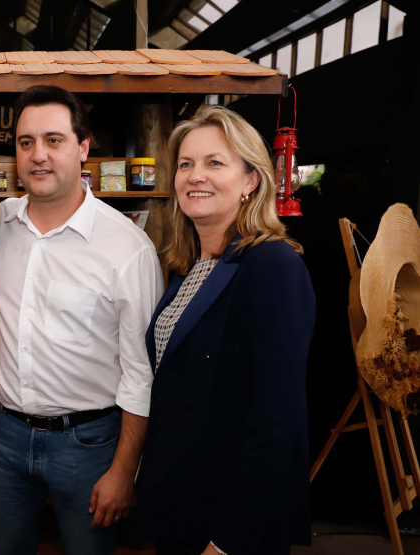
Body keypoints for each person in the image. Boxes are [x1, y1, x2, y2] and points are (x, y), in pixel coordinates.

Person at [0, 85, 163, 555]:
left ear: (83, 148)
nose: (38, 155)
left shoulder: (127, 248)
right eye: (26, 142)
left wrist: (125, 471)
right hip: (2, 437)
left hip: (89, 445)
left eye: (54, 140)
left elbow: (142, 373)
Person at [132, 106, 314, 555]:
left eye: (215, 163)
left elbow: (277, 422)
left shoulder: (273, 265)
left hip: (229, 521)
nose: (196, 176)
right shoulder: (188, 267)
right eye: (186, 164)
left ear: (251, 180)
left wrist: (229, 539)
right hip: (182, 505)